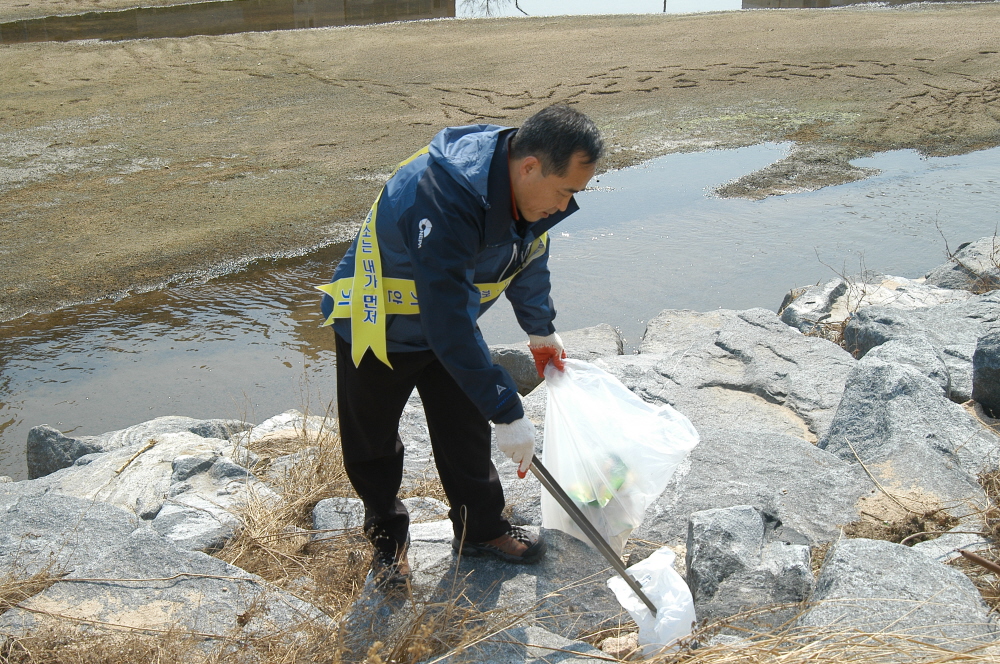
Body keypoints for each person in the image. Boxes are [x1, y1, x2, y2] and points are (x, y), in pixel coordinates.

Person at [318, 104, 603, 587]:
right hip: (378, 325)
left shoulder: (524, 190)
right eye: (565, 192)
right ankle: (388, 544)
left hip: (444, 320)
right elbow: (447, 316)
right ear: (530, 167)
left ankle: (481, 530)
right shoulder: (444, 195)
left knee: (465, 427)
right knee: (372, 443)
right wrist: (507, 409)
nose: (564, 206)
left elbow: (529, 252)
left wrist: (540, 329)